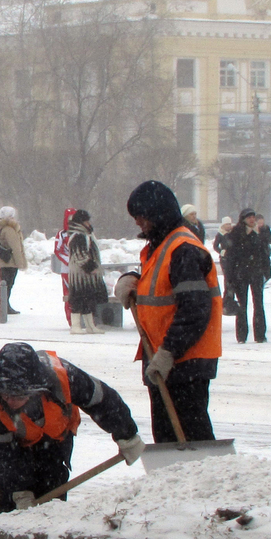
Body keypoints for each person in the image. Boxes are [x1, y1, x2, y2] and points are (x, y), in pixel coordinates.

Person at [0, 342, 144, 513]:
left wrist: (127, 435)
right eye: (6, 394)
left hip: (56, 439)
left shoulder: (64, 377)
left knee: (52, 491)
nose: (11, 401)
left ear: (36, 389)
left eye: (19, 395)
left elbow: (103, 401)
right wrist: (19, 491)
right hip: (15, 447)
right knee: (10, 503)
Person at [113, 180, 223, 443]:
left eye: (142, 216)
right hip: (164, 357)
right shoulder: (161, 245)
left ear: (157, 212)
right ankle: (174, 480)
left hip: (185, 360)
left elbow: (194, 309)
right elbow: (159, 285)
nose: (138, 222)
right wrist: (133, 280)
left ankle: (200, 479)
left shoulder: (183, 249)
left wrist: (169, 352)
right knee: (168, 435)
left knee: (188, 435)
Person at [226, 209, 271, 344]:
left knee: (259, 303)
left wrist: (266, 270)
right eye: (249, 217)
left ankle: (260, 334)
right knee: (242, 305)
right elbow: (231, 255)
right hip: (241, 273)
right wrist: (231, 275)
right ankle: (241, 335)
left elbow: (264, 252)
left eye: (253, 217)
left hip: (256, 272)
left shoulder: (259, 232)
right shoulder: (236, 233)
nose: (252, 220)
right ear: (243, 219)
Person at [65, 209, 108, 334]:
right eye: (86, 221)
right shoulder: (78, 236)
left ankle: (90, 326)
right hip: (80, 274)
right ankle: (76, 326)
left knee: (88, 300)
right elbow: (80, 255)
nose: (89, 223)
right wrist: (91, 267)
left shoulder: (85, 235)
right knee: (78, 299)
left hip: (86, 275)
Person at [0, 205, 27, 314]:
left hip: (4, 261)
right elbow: (15, 247)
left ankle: (5, 305)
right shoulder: (9, 229)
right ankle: (5, 306)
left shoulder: (1, 228)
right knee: (8, 285)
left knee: (5, 284)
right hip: (10, 261)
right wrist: (20, 263)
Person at [52, 207, 74, 326]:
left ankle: (81, 318)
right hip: (67, 269)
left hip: (80, 268)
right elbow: (58, 250)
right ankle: (71, 320)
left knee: (81, 293)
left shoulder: (80, 233)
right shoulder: (61, 234)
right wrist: (69, 261)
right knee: (68, 294)